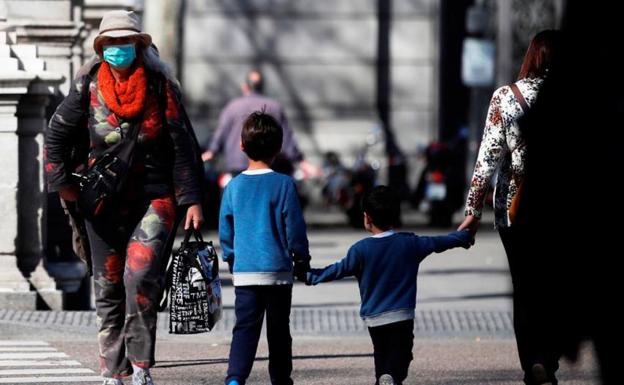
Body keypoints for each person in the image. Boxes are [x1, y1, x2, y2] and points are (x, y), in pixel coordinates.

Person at [45, 10, 204, 385]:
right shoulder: (87, 86)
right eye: (112, 43)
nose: (119, 48)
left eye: (125, 41)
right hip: (101, 202)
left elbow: (183, 145)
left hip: (154, 197)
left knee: (142, 276)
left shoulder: (160, 86)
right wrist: (64, 184)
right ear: (102, 47)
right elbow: (56, 136)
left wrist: (192, 198)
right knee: (108, 284)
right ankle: (112, 370)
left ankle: (141, 366)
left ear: (139, 45)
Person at [458, 30, 561, 385]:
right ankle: (550, 358)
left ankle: (533, 360)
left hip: (517, 209)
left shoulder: (507, 96)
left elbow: (488, 159)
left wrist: (473, 210)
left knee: (525, 285)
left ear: (532, 56)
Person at [304, 186, 472, 385]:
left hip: (374, 318)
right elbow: (439, 243)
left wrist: (310, 276)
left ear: (367, 218)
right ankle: (390, 376)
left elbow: (336, 270)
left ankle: (384, 377)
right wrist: (463, 237)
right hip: (402, 315)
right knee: (402, 356)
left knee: (381, 354)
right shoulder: (410, 243)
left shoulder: (360, 250)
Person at [219, 111, 310, 385]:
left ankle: (235, 377)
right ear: (279, 148)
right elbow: (294, 229)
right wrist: (301, 259)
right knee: (279, 331)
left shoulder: (233, 187)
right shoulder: (284, 184)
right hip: (278, 273)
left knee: (244, 328)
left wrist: (231, 257)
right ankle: (280, 379)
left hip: (245, 271)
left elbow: (226, 228)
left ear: (242, 146)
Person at [202, 70, 307, 175]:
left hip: (237, 165)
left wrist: (211, 152)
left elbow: (220, 134)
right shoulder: (275, 107)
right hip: (267, 167)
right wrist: (301, 161)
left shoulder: (232, 107)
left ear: (245, 87)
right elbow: (287, 139)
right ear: (262, 86)